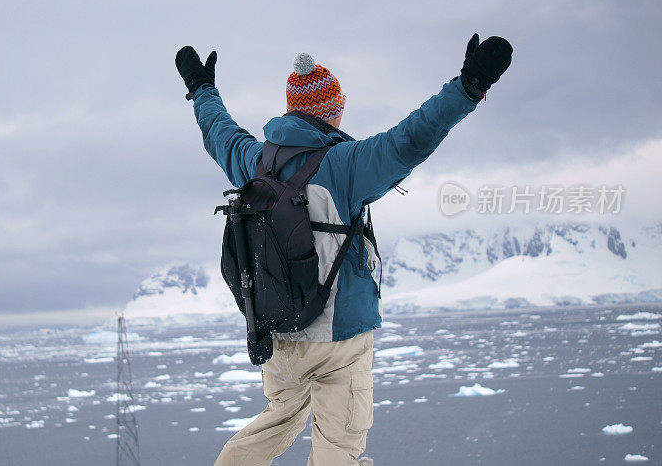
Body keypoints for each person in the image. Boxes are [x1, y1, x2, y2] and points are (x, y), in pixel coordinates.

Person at [175, 34, 512, 466]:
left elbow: (219, 130)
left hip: (278, 334)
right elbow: (412, 138)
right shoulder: (346, 164)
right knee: (340, 445)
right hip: (338, 338)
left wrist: (202, 88)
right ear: (332, 112)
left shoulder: (254, 161)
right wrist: (469, 86)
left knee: (277, 420)